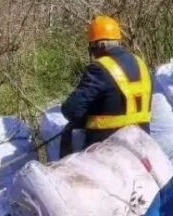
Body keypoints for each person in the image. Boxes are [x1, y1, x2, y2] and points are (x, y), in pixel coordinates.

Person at [60, 16, 151, 155]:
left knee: (69, 135)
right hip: (143, 142)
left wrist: (86, 119)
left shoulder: (99, 69)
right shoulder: (141, 64)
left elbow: (71, 110)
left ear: (98, 45)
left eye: (92, 49)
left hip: (107, 147)